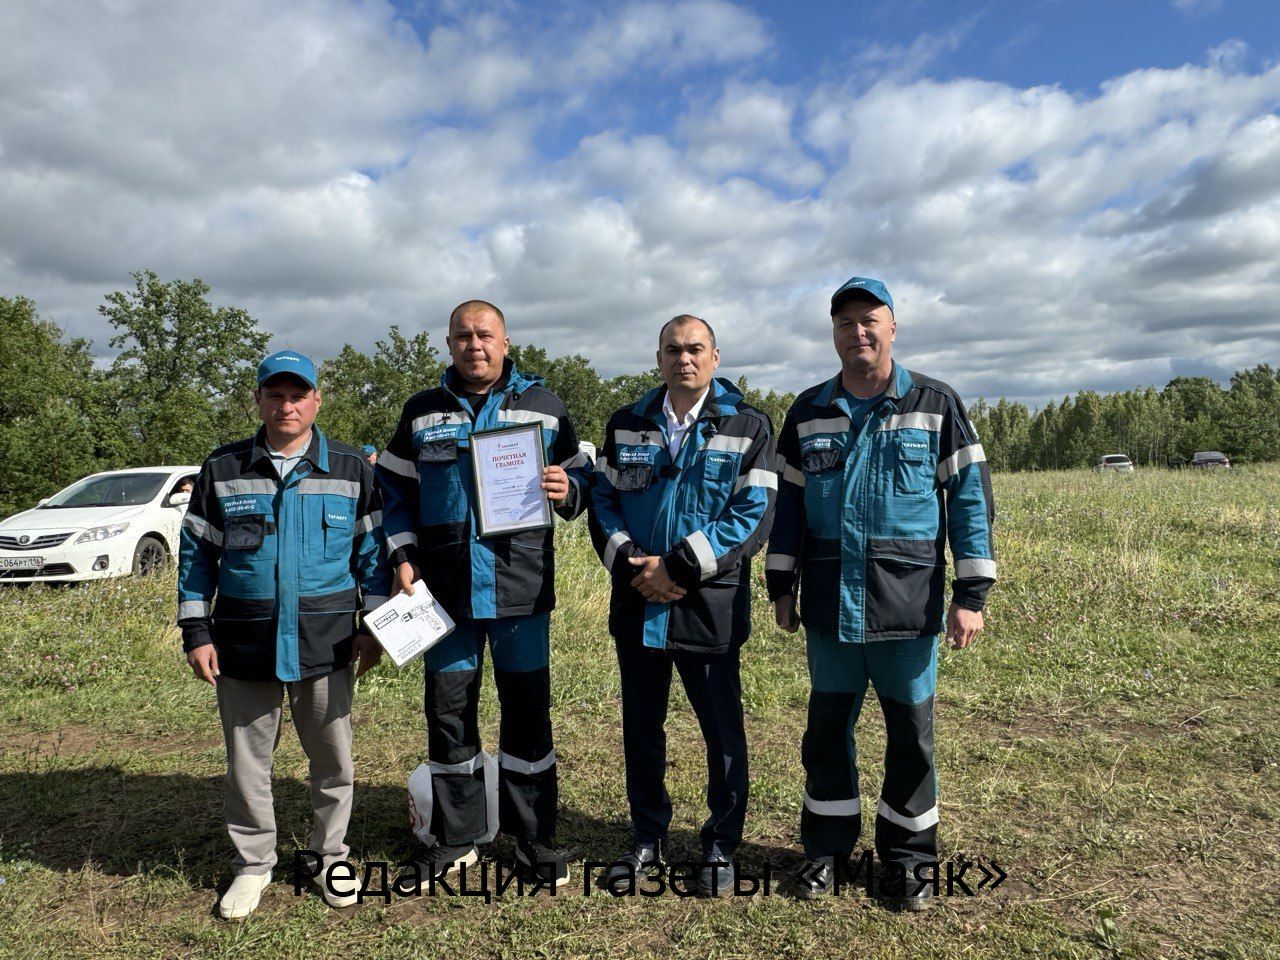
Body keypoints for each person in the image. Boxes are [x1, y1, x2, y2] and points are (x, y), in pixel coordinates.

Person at [765, 277, 996, 909]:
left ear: (893, 327)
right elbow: (787, 506)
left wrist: (971, 593)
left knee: (911, 741)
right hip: (830, 608)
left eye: (870, 320)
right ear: (833, 334)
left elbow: (970, 501)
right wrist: (781, 582)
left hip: (907, 606)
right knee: (825, 735)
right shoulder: (808, 411)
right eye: (845, 324)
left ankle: (908, 860)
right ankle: (828, 854)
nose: (858, 333)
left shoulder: (936, 402)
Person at [376, 300, 591, 888]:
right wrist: (401, 554)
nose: (475, 345)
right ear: (448, 344)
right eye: (463, 336)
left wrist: (567, 487)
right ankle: (456, 840)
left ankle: (533, 841)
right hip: (444, 593)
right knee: (448, 715)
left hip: (521, 587)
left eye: (485, 335)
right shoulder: (421, 412)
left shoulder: (544, 407)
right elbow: (392, 490)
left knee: (528, 717)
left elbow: (583, 480)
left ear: (505, 340)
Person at [177, 350, 390, 919]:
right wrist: (196, 630)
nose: (287, 405)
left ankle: (331, 856)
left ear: (317, 400)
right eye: (276, 394)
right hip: (243, 641)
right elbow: (196, 556)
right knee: (247, 763)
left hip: (327, 641)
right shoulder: (222, 468)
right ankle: (254, 865)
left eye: (299, 395)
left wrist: (371, 627)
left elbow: (372, 556)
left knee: (333, 760)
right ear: (259, 400)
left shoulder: (349, 467)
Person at [588, 315, 775, 897]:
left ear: (716, 358)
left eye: (696, 349)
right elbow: (603, 500)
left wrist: (680, 566)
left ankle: (721, 844)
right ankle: (647, 836)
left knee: (720, 731)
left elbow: (753, 514)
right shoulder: (628, 423)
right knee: (642, 728)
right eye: (673, 349)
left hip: (707, 604)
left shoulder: (748, 426)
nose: (684, 359)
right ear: (659, 357)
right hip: (638, 600)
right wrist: (634, 565)